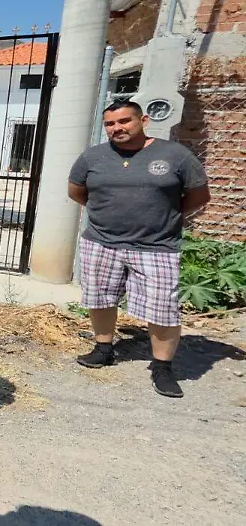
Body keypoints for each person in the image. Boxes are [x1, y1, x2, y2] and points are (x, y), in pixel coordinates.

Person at [68, 99, 210, 398]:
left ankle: (162, 368)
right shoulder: (93, 157)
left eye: (124, 121)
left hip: (156, 246)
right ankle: (103, 348)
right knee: (100, 298)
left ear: (142, 120)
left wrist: (164, 218)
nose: (117, 128)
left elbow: (198, 196)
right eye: (110, 124)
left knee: (163, 309)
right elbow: (77, 191)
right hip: (101, 242)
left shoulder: (175, 155)